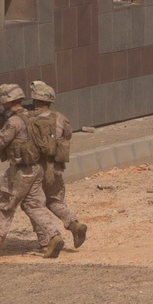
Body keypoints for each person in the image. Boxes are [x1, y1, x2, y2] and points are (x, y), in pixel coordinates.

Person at [0, 83, 64, 259]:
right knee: (34, 205)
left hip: (21, 172)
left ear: (5, 100)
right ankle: (52, 237)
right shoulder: (31, 115)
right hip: (37, 169)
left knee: (4, 206)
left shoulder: (14, 122)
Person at [29, 80, 88, 249]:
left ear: (34, 99)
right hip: (55, 168)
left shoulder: (28, 119)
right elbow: (67, 136)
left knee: (35, 205)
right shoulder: (61, 118)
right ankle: (74, 224)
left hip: (34, 170)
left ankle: (47, 241)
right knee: (55, 200)